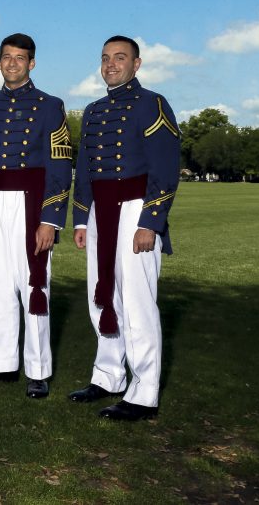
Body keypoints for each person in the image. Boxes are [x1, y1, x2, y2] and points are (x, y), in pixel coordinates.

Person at [69, 35, 181, 421]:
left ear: (137, 63)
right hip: (101, 211)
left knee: (136, 302)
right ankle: (108, 375)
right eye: (105, 58)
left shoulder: (153, 103)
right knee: (101, 297)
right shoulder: (94, 110)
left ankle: (144, 392)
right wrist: (82, 218)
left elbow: (165, 168)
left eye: (120, 58)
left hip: (136, 210)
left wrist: (151, 220)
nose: (111, 64)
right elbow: (83, 170)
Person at [0, 33, 71, 399]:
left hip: (31, 202)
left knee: (33, 284)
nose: (13, 63)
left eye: (20, 57)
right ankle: (1, 364)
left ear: (32, 63)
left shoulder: (51, 105)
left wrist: (50, 218)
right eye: (7, 57)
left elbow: (60, 165)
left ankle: (38, 370)